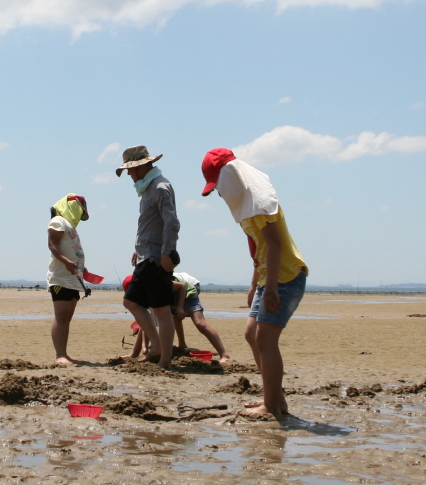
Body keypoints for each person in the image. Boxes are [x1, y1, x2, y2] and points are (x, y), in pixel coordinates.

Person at [201, 147, 307, 418]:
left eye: (217, 187)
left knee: (265, 339)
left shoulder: (258, 201)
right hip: (268, 276)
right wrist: (254, 284)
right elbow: (260, 250)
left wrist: (269, 288)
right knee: (252, 334)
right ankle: (275, 399)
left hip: (284, 276)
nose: (220, 194)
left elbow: (274, 244)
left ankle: (272, 407)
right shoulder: (247, 202)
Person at [115, 145, 179, 370]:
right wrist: (138, 247)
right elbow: (152, 224)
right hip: (145, 255)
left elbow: (171, 223)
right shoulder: (147, 189)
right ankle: (157, 345)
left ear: (141, 167)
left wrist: (167, 253)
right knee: (131, 301)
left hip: (155, 258)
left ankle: (165, 359)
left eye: (130, 170)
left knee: (161, 311)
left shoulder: (160, 187)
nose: (130, 176)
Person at [45, 193, 90, 366]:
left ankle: (65, 353)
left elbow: (72, 249)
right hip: (61, 278)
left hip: (73, 278)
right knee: (61, 316)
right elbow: (52, 245)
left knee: (67, 317)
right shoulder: (58, 221)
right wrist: (66, 262)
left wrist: (80, 267)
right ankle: (59, 355)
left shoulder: (70, 226)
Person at [172, 269, 232, 362]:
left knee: (199, 323)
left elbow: (183, 287)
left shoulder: (164, 282)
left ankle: (224, 355)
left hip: (190, 286)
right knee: (175, 317)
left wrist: (180, 307)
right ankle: (182, 344)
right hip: (176, 290)